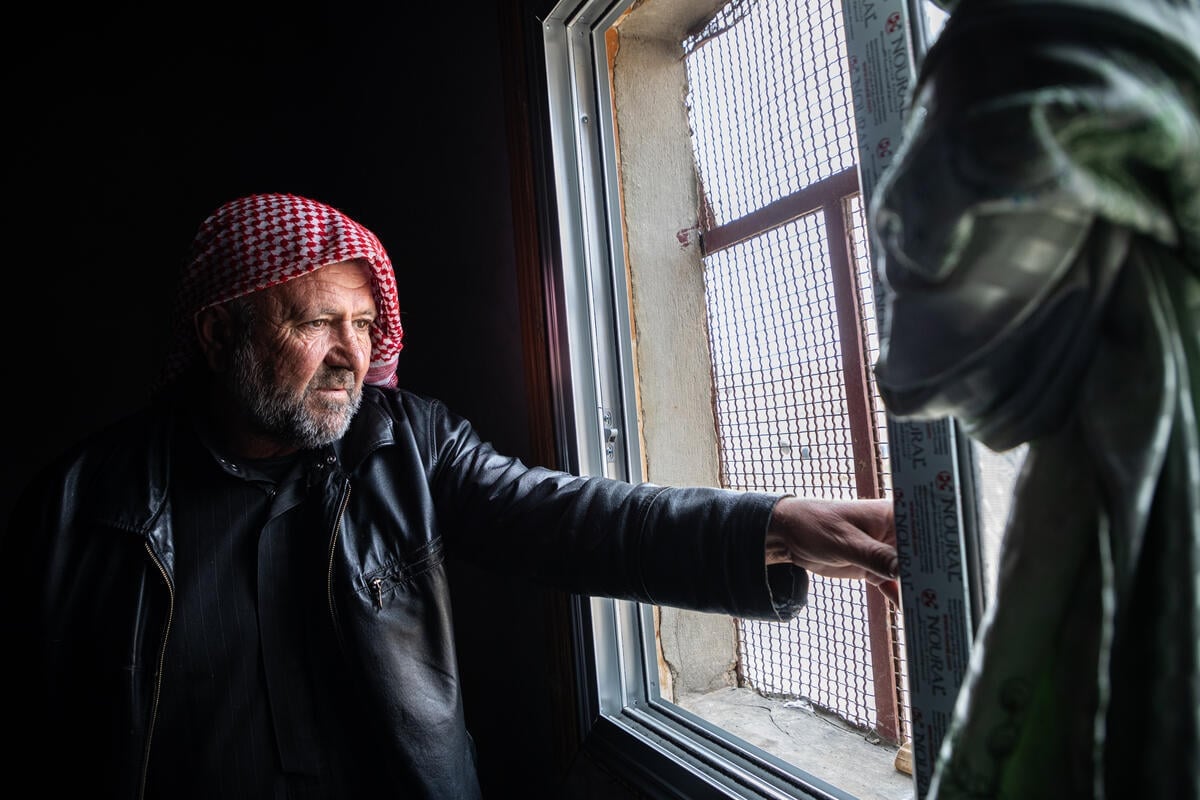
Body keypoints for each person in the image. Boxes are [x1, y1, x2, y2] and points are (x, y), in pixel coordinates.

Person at [2, 192, 899, 800]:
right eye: (316, 323)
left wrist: (772, 529)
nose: (353, 355)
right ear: (217, 332)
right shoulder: (82, 505)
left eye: (364, 324)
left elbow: (564, 518)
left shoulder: (403, 442)